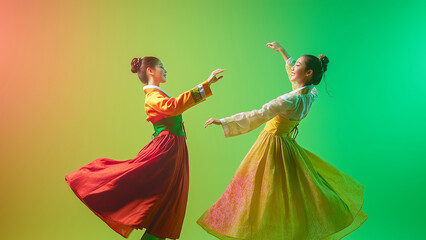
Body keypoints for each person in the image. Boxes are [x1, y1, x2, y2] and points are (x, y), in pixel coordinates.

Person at [197, 42, 367, 239]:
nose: (293, 68)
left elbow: (258, 115)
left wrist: (223, 121)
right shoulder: (311, 94)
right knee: (290, 196)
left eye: (298, 66)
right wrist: (283, 52)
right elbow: (297, 82)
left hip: (270, 146)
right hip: (288, 147)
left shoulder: (289, 100)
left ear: (309, 72)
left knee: (258, 194)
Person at [65, 56, 225, 240]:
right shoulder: (152, 97)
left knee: (167, 206)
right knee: (163, 204)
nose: (165, 70)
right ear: (150, 71)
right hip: (166, 152)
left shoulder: (158, 94)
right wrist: (204, 85)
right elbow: (174, 107)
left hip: (175, 150)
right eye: (161, 67)